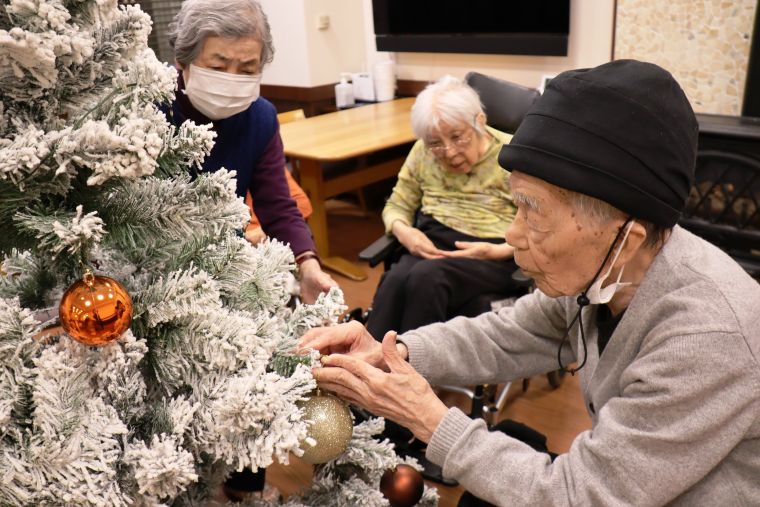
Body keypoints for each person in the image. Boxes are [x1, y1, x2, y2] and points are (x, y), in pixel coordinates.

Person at [299, 60, 760, 506]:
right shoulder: (605, 277)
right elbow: (508, 334)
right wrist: (388, 353)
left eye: (532, 212)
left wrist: (428, 417)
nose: (513, 235)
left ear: (625, 236)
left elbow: (582, 495)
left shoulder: (705, 337)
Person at [165, 0, 336, 304]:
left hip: (227, 266)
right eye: (217, 67)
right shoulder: (148, 106)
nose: (231, 80)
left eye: (247, 70)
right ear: (183, 59)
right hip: (150, 271)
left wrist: (307, 263)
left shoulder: (260, 117)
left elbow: (277, 205)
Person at [365, 75, 519, 340]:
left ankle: (411, 372)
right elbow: (397, 204)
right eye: (435, 143)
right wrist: (405, 232)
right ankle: (366, 366)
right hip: (433, 240)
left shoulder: (513, 155)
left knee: (428, 278)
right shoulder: (422, 152)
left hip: (494, 253)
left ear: (479, 122)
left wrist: (497, 251)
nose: (448, 151)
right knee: (395, 279)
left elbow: (542, 228)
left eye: (458, 137)